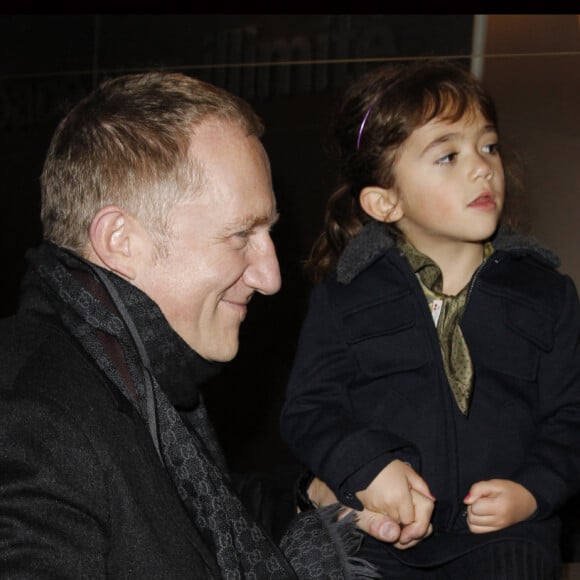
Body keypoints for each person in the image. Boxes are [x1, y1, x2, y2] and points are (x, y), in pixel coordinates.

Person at [0, 71, 387, 579]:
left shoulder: (123, 366)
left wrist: (312, 495)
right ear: (121, 240)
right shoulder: (34, 416)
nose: (270, 277)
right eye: (240, 234)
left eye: (266, 232)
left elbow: (189, 512)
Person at [280, 59, 580, 579]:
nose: (482, 166)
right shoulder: (345, 296)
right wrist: (367, 466)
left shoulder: (548, 294)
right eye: (447, 155)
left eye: (488, 146)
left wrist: (533, 492)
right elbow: (309, 409)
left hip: (505, 540)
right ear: (384, 201)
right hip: (383, 538)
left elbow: (571, 418)